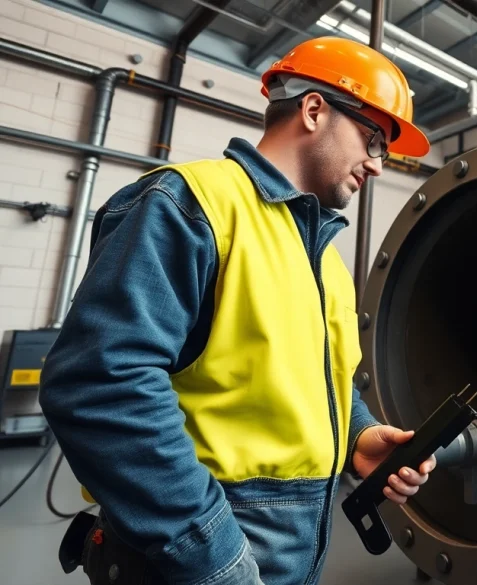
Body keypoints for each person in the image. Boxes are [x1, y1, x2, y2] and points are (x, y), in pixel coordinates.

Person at [38, 37, 434, 585]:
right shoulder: (189, 206)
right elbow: (100, 384)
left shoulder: (324, 259)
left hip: (292, 543)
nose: (377, 164)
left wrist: (359, 436)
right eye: (373, 139)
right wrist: (212, 554)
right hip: (199, 547)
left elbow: (314, 379)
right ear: (314, 109)